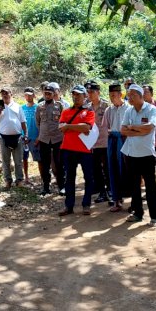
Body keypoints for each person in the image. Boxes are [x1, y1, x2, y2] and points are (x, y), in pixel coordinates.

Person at [121, 85, 156, 226]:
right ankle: (138, 213)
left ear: (140, 95)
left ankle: (155, 216)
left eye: (132, 95)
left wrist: (132, 127)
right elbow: (123, 130)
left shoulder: (151, 109)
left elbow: (150, 127)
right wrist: (139, 130)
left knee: (150, 185)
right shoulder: (128, 110)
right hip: (130, 153)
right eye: (128, 95)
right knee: (134, 185)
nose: (129, 97)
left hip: (147, 153)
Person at [58, 85, 96, 216]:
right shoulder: (65, 111)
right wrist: (76, 127)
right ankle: (69, 206)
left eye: (79, 95)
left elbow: (86, 128)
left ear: (85, 96)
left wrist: (69, 126)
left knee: (88, 178)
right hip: (68, 149)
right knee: (69, 178)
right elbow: (61, 128)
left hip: (85, 150)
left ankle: (86, 205)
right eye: (74, 94)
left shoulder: (89, 112)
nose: (76, 97)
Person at [0, 87, 28, 189]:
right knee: (5, 161)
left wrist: (26, 134)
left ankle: (19, 180)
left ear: (11, 94)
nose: (5, 95)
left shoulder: (17, 106)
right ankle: (8, 181)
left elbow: (23, 122)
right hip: (3, 138)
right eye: (3, 93)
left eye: (6, 93)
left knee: (18, 161)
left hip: (18, 137)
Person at [35, 83, 66, 196]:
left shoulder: (59, 105)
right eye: (45, 93)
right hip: (44, 139)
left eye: (49, 93)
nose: (47, 95)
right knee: (45, 164)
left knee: (59, 163)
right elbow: (38, 122)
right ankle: (46, 187)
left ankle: (62, 186)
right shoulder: (39, 106)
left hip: (57, 138)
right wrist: (43, 132)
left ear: (53, 94)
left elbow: (63, 121)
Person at [105, 84, 130, 211]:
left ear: (120, 95)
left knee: (128, 170)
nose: (112, 98)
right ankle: (116, 200)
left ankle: (133, 201)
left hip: (126, 140)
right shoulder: (109, 110)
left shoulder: (129, 108)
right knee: (113, 169)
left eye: (114, 95)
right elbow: (106, 127)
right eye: (110, 96)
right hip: (113, 141)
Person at [86, 81, 110, 204]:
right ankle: (102, 192)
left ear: (98, 92)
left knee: (107, 167)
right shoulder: (87, 108)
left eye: (92, 92)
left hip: (105, 141)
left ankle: (110, 190)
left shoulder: (106, 105)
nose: (89, 94)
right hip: (93, 143)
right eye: (88, 92)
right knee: (96, 169)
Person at [21, 87, 41, 185]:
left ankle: (42, 178)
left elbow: (42, 123)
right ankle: (26, 177)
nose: (28, 96)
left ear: (34, 95)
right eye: (26, 94)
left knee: (39, 159)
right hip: (24, 137)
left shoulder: (38, 107)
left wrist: (39, 137)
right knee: (24, 158)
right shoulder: (21, 108)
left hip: (35, 137)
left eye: (30, 94)